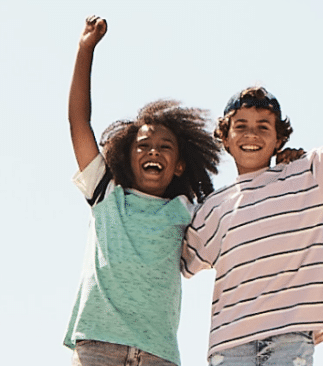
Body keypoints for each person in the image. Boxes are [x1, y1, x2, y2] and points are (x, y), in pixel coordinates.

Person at [181, 21, 323, 366]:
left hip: (290, 339)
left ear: (279, 139)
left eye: (264, 126)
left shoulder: (307, 174)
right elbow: (178, 260)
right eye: (241, 126)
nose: (252, 134)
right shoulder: (211, 208)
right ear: (225, 138)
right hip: (229, 346)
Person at [63, 16, 221, 366]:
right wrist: (84, 49)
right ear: (125, 155)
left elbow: (238, 210)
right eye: (144, 145)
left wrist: (281, 164)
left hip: (157, 354)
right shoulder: (107, 194)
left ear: (179, 165)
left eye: (165, 147)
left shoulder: (187, 210)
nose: (153, 151)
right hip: (98, 345)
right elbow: (78, 121)